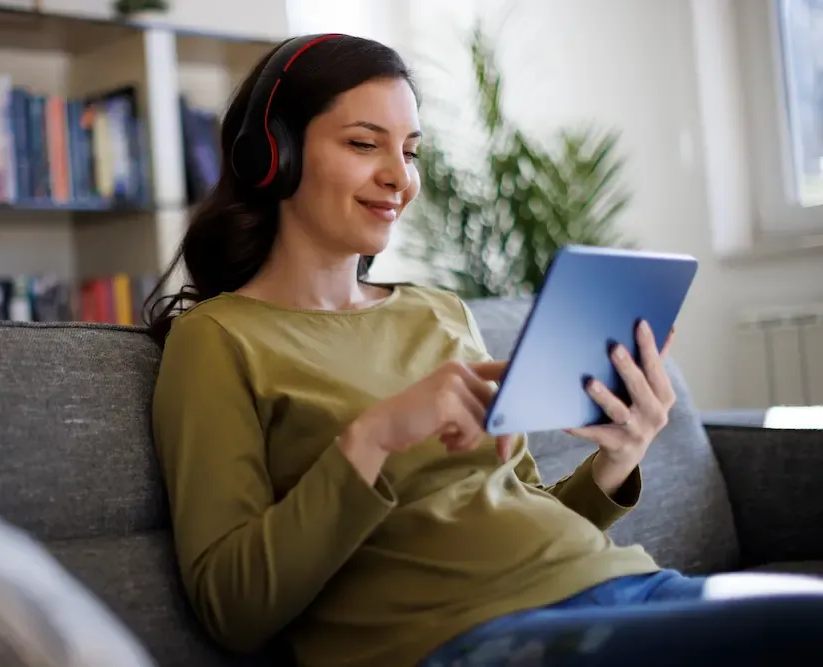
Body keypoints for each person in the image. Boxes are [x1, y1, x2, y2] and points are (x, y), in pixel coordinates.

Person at [146, 33, 823, 667]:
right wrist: (374, 436)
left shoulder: (437, 311)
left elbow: (517, 505)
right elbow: (230, 606)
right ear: (274, 154)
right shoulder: (218, 339)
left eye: (410, 150)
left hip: (623, 583)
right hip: (462, 636)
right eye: (363, 143)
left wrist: (618, 459)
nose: (398, 177)